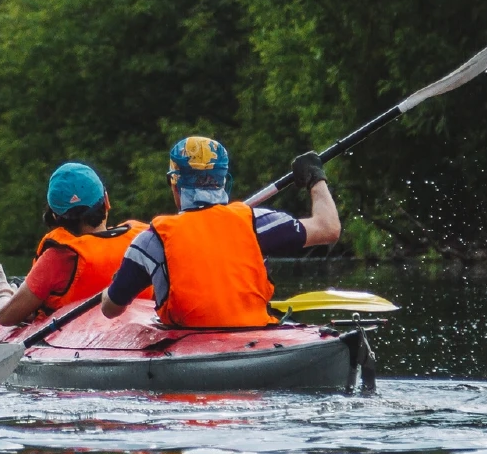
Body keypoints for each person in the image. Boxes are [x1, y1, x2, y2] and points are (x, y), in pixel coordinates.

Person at [99, 135, 340, 328]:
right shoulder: (258, 223)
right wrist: (315, 177)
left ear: (175, 183)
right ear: (224, 180)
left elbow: (111, 309)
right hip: (254, 340)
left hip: (190, 348)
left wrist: (111, 290)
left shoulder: (150, 242)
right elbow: (328, 228)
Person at [0, 162, 148, 326]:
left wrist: (1, 293)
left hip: (76, 337)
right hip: (144, 328)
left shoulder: (59, 257)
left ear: (55, 216)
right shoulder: (144, 241)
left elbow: (7, 317)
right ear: (107, 201)